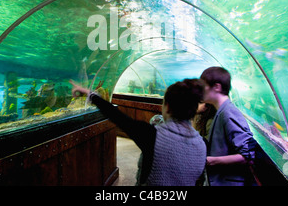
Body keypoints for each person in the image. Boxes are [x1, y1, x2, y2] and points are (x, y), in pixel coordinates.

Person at [70, 79, 207, 186]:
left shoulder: (152, 136)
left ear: (168, 107)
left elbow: (117, 116)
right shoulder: (202, 145)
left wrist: (90, 95)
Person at [200, 67, 258, 186]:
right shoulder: (221, 111)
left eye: (203, 86)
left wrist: (210, 161)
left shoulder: (228, 112)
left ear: (217, 87)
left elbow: (248, 155)